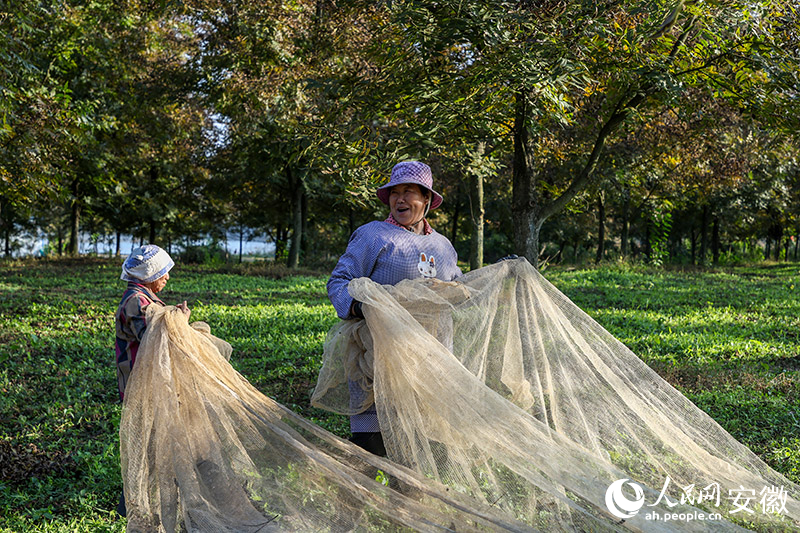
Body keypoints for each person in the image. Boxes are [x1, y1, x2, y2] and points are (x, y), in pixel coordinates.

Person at [327, 161, 462, 456]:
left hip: (430, 355)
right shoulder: (373, 236)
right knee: (372, 445)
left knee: (420, 443)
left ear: (426, 198)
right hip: (378, 355)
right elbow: (339, 280)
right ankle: (361, 485)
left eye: (408, 192)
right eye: (394, 192)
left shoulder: (443, 246)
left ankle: (407, 487)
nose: (400, 199)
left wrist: (501, 274)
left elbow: (458, 287)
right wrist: (358, 306)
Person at [114, 244, 189, 516]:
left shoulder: (144, 298)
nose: (167, 277)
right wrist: (181, 322)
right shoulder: (136, 301)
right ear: (148, 275)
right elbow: (153, 340)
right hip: (141, 386)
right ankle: (132, 505)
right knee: (147, 445)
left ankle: (145, 499)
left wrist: (173, 318)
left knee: (154, 443)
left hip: (147, 384)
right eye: (162, 272)